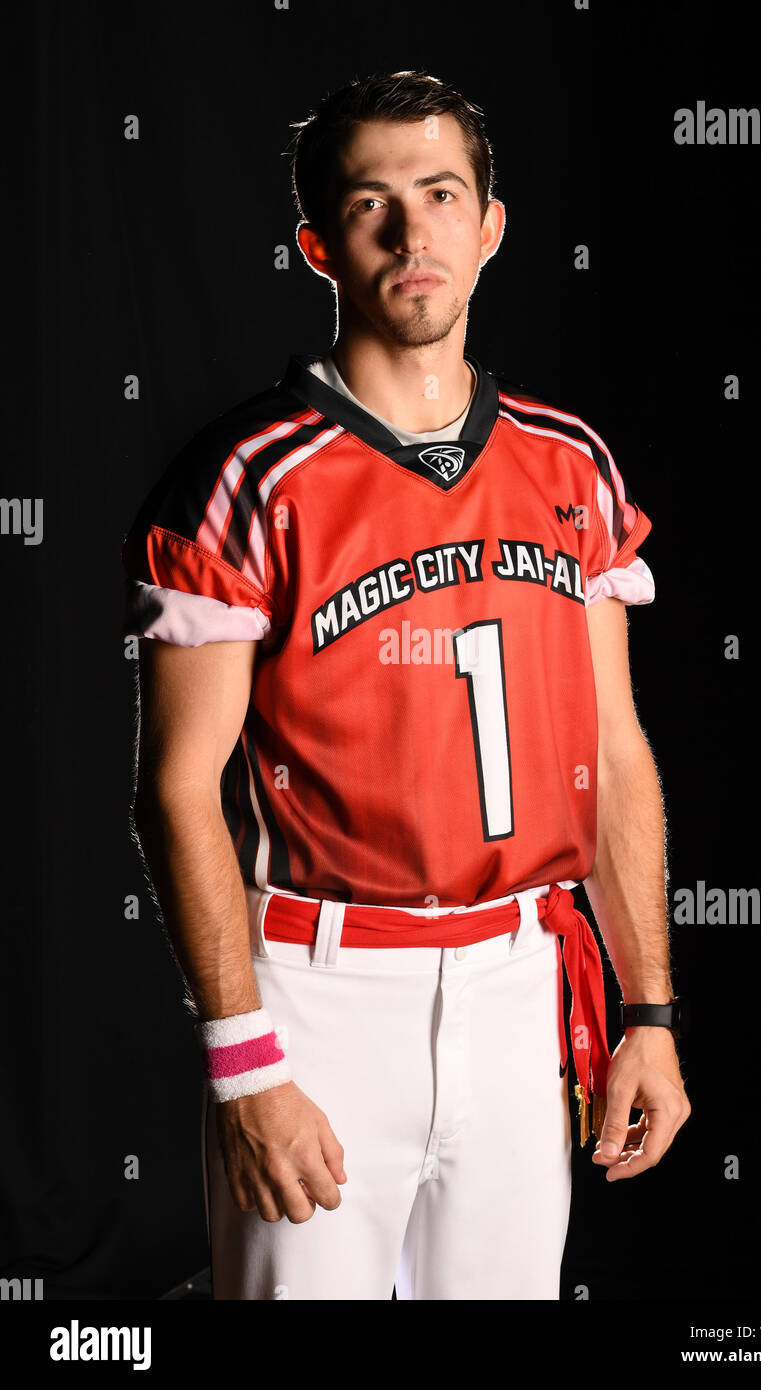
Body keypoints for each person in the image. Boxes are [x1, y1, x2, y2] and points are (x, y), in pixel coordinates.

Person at [121, 69, 690, 1301]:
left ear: (488, 228)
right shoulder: (250, 473)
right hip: (321, 992)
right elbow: (176, 787)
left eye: (439, 194)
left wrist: (647, 1015)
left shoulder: (569, 461)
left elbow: (617, 752)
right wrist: (243, 1062)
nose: (410, 230)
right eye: (370, 203)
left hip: (518, 980)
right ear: (319, 244)